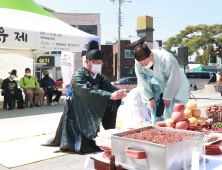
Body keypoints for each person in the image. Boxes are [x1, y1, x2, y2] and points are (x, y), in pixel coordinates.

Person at [42, 40, 127, 153]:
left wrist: (119, 93)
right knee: (77, 137)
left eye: (99, 62)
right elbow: (87, 90)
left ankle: (94, 141)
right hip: (76, 107)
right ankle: (75, 144)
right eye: (94, 62)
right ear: (87, 62)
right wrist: (110, 96)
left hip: (91, 105)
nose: (97, 64)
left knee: (94, 126)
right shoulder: (79, 75)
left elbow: (108, 87)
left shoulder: (99, 76)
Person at [127, 37, 189, 124]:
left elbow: (175, 78)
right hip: (159, 85)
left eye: (145, 62)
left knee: (174, 113)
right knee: (155, 111)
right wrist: (150, 98)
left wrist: (168, 96)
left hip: (177, 85)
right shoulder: (138, 65)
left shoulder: (167, 59)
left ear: (151, 55)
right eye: (141, 63)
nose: (143, 65)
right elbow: (142, 82)